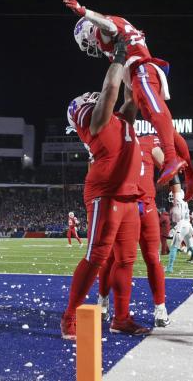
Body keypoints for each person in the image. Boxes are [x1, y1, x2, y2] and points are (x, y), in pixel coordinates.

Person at [61, 0, 193, 200]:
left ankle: (171, 158)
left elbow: (108, 27)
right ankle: (190, 173)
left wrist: (85, 12)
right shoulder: (118, 29)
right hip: (137, 73)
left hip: (142, 69)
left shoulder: (104, 30)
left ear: (89, 31)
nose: (91, 48)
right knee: (166, 129)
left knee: (156, 115)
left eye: (87, 42)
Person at [61, 37, 149, 340]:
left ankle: (121, 317)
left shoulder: (116, 118)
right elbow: (111, 92)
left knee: (125, 259)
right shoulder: (91, 118)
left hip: (127, 194)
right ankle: (69, 316)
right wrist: (120, 57)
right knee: (97, 256)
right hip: (106, 193)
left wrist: (136, 63)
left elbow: (130, 97)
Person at [97, 134, 169, 327]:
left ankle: (160, 308)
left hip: (146, 206)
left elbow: (167, 164)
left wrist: (177, 193)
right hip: (122, 204)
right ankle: (103, 301)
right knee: (112, 258)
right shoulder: (112, 141)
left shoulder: (148, 141)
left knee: (152, 258)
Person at [166, 185, 193, 274]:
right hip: (188, 225)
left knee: (173, 246)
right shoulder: (185, 203)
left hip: (181, 225)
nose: (171, 197)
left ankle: (169, 267)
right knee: (191, 247)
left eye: (172, 195)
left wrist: (174, 227)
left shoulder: (178, 202)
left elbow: (177, 217)